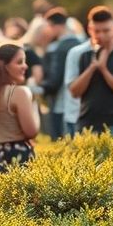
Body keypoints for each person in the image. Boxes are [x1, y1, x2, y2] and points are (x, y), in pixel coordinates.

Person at [69, 6, 113, 141]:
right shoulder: (85, 56)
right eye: (97, 31)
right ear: (90, 30)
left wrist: (104, 70)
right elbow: (74, 92)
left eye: (106, 30)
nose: (101, 35)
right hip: (86, 124)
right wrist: (93, 68)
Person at [0, 42, 39, 170]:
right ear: (4, 66)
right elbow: (31, 131)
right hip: (17, 157)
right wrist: (34, 104)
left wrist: (1, 137)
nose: (25, 66)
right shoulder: (20, 92)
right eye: (19, 62)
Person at [41, 8, 82, 139]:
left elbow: (54, 80)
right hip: (79, 103)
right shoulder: (80, 43)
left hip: (61, 103)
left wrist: (41, 87)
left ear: (56, 26)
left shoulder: (60, 47)